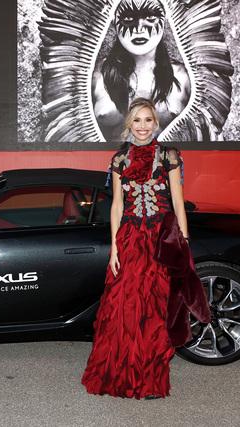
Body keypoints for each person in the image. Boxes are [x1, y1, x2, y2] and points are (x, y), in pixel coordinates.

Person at [82, 98, 208, 399]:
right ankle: (121, 374)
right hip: (130, 239)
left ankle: (150, 378)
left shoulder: (168, 155)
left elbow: (177, 202)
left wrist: (183, 241)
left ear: (156, 123)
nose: (142, 126)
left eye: (148, 120)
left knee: (156, 308)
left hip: (161, 239)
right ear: (129, 124)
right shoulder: (119, 159)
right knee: (124, 307)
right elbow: (117, 206)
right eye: (137, 120)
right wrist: (115, 248)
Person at [92, 0, 190, 140]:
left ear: (164, 19)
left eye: (150, 17)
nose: (139, 28)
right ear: (114, 21)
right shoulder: (94, 76)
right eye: (128, 18)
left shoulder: (185, 77)